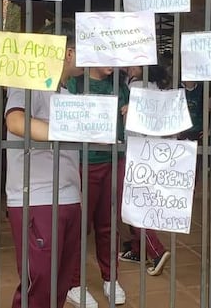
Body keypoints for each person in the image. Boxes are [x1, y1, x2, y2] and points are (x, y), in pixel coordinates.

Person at [4, 19, 86, 308]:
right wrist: (63, 131)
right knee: (38, 285)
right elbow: (15, 121)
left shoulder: (69, 94)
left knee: (59, 284)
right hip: (36, 197)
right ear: (67, 52)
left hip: (68, 197)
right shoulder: (29, 83)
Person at [66, 66, 129, 306]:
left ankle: (110, 278)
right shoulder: (75, 84)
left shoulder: (119, 85)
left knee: (109, 224)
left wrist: (132, 110)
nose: (112, 63)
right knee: (79, 226)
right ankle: (73, 283)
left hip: (113, 160)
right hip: (83, 162)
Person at [119, 65, 171, 276]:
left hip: (137, 151)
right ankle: (137, 249)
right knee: (139, 200)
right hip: (153, 151)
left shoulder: (136, 86)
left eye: (133, 64)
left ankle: (156, 250)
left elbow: (134, 124)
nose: (129, 67)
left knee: (133, 205)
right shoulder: (156, 85)